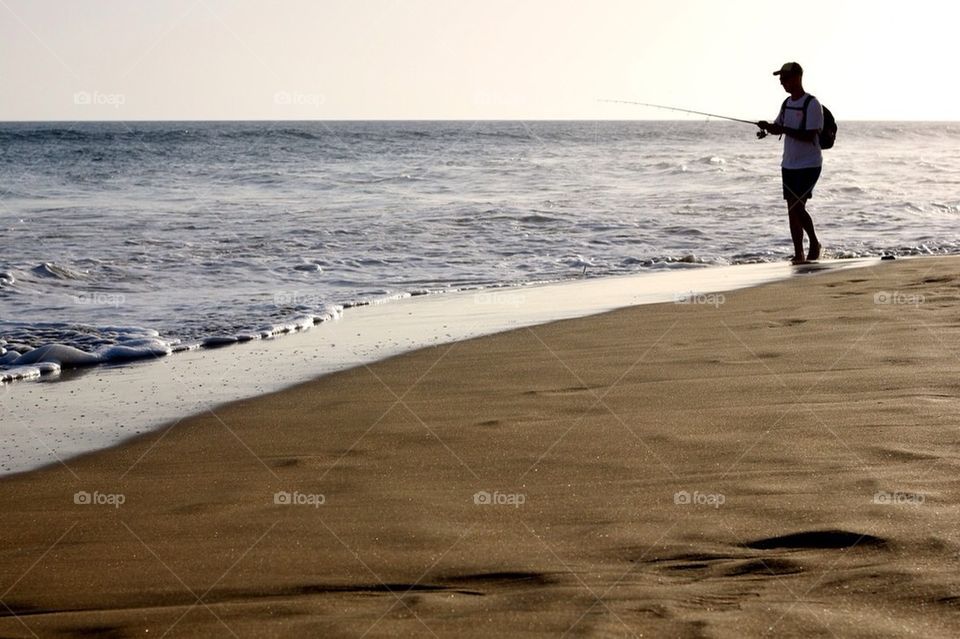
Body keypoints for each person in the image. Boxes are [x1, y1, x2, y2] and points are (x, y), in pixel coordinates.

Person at [757, 62, 824, 264]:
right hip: (789, 164)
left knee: (796, 206)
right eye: (781, 79)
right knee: (792, 208)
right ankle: (799, 254)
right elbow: (780, 126)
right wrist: (768, 128)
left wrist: (783, 129)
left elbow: (809, 134)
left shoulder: (812, 104)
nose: (781, 82)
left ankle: (813, 242)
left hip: (810, 164)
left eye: (784, 78)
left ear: (797, 78)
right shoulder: (786, 103)